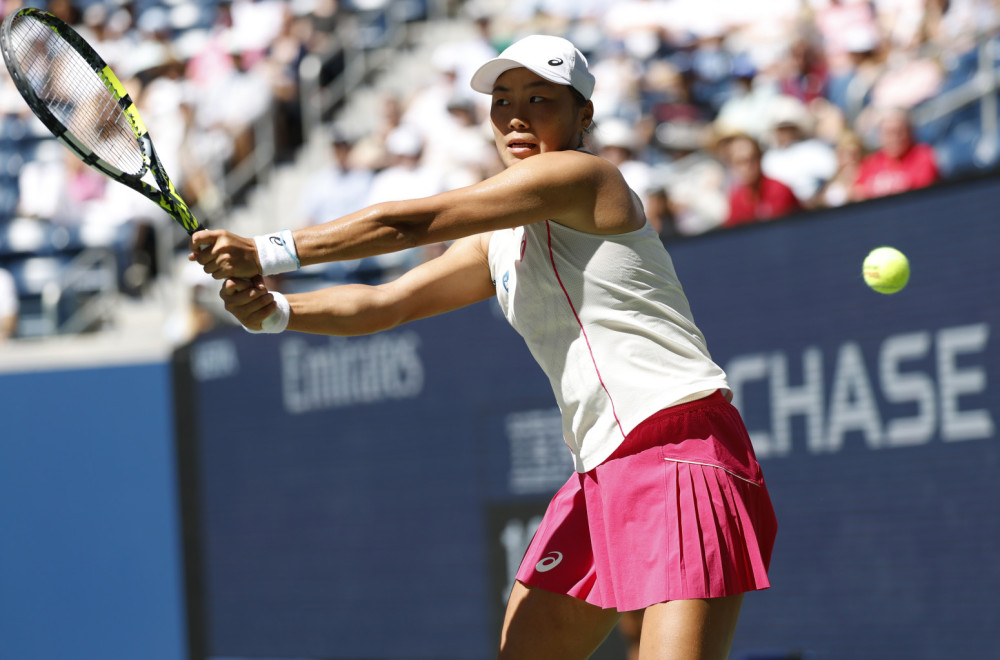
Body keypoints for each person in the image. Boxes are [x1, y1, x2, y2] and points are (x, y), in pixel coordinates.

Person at [190, 35, 777, 660]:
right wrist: (277, 312)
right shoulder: (497, 238)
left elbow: (406, 223)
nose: (516, 116)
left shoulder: (586, 176)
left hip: (679, 446)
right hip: (601, 468)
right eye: (502, 101)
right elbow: (387, 304)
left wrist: (267, 251)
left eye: (539, 99)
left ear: (583, 115)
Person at [852, 107, 939, 201]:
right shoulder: (870, 163)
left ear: (909, 132)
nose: (894, 138)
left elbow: (924, 194)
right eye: (889, 133)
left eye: (899, 132)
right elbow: (858, 193)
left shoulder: (923, 156)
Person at [724, 133, 802, 227]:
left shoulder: (779, 190)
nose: (748, 166)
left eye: (752, 159)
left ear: (760, 158)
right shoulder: (736, 198)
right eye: (740, 162)